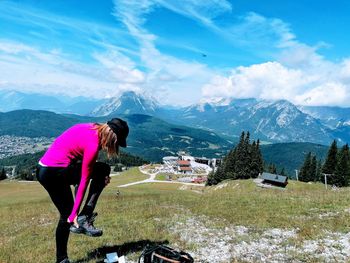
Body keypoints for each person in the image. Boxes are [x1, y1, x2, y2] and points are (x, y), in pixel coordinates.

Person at [36, 118, 129, 263]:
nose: (113, 146)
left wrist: (100, 179)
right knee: (103, 169)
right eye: (116, 143)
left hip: (45, 170)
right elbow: (84, 180)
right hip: (54, 173)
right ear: (113, 137)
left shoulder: (92, 128)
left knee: (65, 215)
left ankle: (62, 259)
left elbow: (79, 167)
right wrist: (75, 213)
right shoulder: (93, 145)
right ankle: (84, 217)